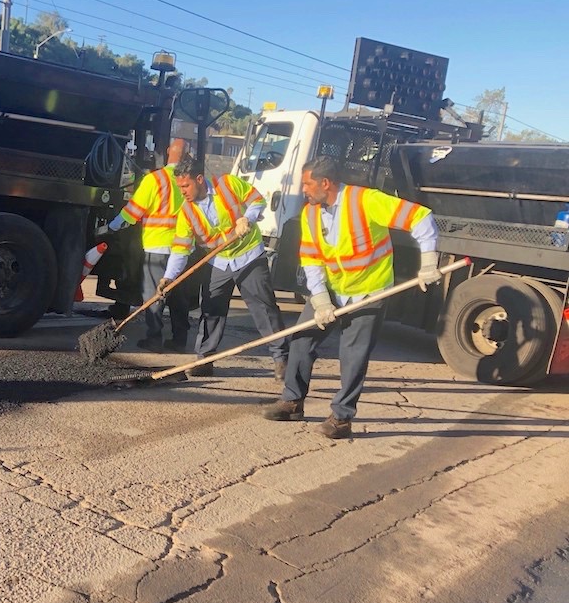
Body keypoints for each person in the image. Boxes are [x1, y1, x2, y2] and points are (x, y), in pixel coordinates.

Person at [261, 156, 442, 439]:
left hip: (369, 291)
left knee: (353, 355)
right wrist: (319, 298)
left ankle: (342, 418)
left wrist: (429, 261)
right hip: (332, 289)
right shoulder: (310, 212)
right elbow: (311, 259)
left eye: (307, 183)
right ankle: (292, 401)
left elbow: (421, 217)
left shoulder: (366, 201)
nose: (303, 189)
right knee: (302, 340)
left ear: (325, 183)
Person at [162, 156, 289, 380]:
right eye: (179, 186)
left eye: (185, 185)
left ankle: (282, 359)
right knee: (211, 310)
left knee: (264, 307)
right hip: (218, 261)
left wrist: (247, 219)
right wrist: (169, 277)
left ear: (199, 179)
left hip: (249, 256)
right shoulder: (186, 211)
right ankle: (205, 360)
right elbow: (180, 249)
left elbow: (257, 200)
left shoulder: (228, 184)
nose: (182, 191)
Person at [96, 139, 191, 352]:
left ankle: (154, 339)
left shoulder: (154, 180)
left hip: (157, 247)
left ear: (168, 152)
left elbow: (132, 213)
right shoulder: (188, 181)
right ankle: (179, 340)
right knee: (178, 297)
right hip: (183, 249)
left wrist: (110, 227)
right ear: (188, 155)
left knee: (154, 295)